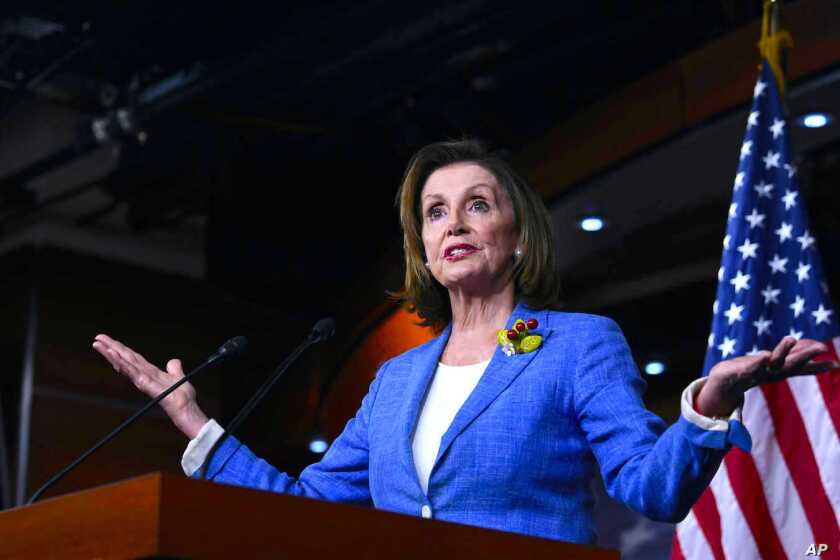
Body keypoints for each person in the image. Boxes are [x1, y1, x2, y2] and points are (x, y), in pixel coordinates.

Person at [92, 139, 837, 544]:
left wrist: (707, 403)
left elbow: (650, 488)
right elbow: (306, 506)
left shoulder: (576, 346)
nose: (453, 224)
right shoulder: (394, 381)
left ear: (514, 238)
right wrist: (192, 421)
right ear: (422, 243)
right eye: (436, 212)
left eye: (476, 206)